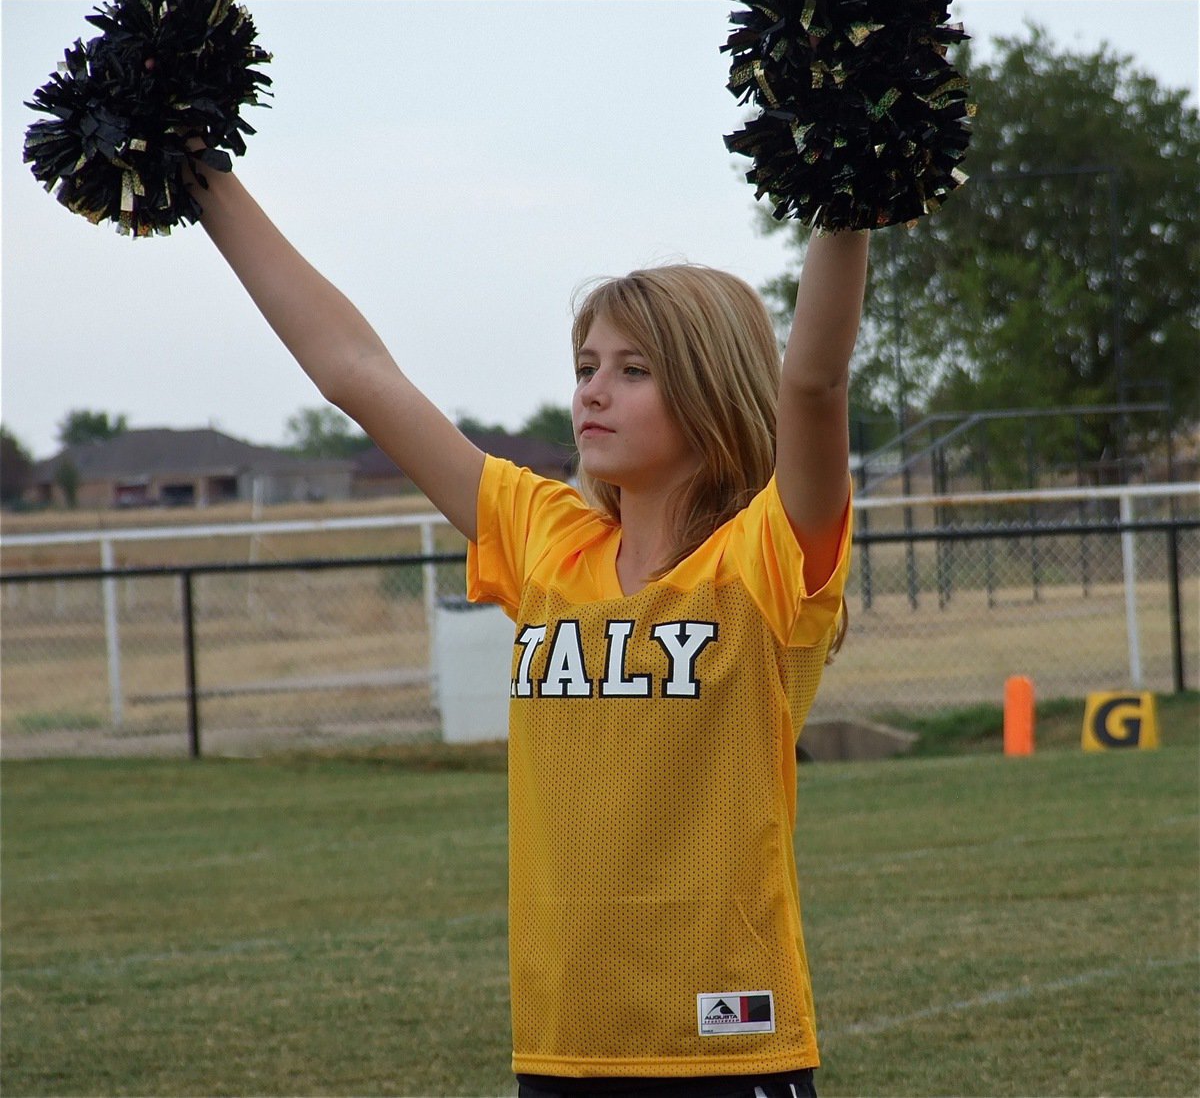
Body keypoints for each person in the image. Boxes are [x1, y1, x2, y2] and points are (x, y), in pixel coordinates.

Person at [188, 137, 868, 1097]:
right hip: (561, 1044)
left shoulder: (762, 557)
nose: (592, 388)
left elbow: (814, 384)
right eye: (587, 362)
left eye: (634, 369)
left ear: (712, 388)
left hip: (727, 1043)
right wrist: (197, 173)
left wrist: (848, 188)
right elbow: (356, 372)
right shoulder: (549, 541)